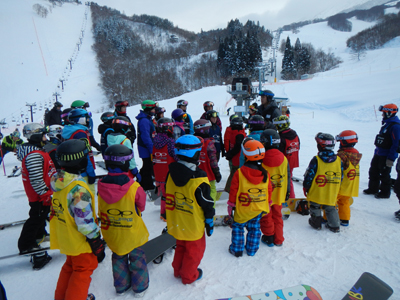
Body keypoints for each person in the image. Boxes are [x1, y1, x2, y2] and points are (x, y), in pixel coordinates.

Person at [50, 139, 105, 300]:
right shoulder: (78, 189)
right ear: (80, 160)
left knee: (70, 266)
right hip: (79, 240)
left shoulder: (59, 180)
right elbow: (85, 221)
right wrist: (95, 239)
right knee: (83, 270)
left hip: (65, 236)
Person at [98, 144, 149, 297]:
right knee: (137, 258)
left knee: (118, 256)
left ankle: (121, 286)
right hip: (131, 231)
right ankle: (139, 287)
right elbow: (141, 205)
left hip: (112, 230)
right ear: (126, 163)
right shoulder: (134, 187)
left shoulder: (101, 185)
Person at [165, 135, 215, 284]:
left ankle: (177, 270)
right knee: (194, 252)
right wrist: (209, 219)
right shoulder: (199, 179)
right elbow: (207, 203)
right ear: (196, 154)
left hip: (177, 222)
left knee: (181, 247)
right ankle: (188, 276)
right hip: (193, 225)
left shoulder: (170, 173)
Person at [17, 125, 55, 270]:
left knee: (41, 215)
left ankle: (39, 234)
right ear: (36, 137)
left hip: (42, 194)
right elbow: (36, 179)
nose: (46, 139)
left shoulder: (37, 152)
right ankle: (26, 244)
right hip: (40, 195)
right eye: (44, 136)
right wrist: (45, 194)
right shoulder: (34, 155)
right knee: (36, 217)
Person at [227, 138, 271, 257]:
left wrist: (231, 204)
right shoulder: (265, 173)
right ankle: (252, 249)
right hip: (258, 207)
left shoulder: (240, 173)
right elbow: (269, 190)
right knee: (254, 228)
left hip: (243, 208)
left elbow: (233, 190)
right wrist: (268, 202)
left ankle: (237, 249)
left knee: (238, 227)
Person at [303, 133, 343, 233]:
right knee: (330, 207)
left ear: (320, 146)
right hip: (331, 190)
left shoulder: (316, 160)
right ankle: (335, 225)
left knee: (315, 206)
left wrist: (306, 186)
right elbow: (341, 175)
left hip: (317, 190)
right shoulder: (338, 160)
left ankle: (316, 223)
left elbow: (310, 175)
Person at [260, 129, 290, 247]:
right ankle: (279, 239)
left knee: (266, 215)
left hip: (265, 194)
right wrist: (287, 192)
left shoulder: (261, 158)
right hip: (279, 193)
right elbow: (287, 176)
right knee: (277, 215)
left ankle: (269, 236)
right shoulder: (284, 158)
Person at [364, 104, 400, 199]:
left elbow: (396, 144)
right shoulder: (386, 123)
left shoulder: (395, 127)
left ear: (389, 113)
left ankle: (385, 192)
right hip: (378, 152)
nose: (382, 115)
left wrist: (391, 158)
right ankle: (373, 188)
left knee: (384, 174)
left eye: (383, 113)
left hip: (386, 155)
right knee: (373, 171)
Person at [62, 109, 96, 190]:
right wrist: (91, 173)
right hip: (82, 171)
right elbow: (84, 154)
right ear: (80, 119)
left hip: (71, 169)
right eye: (86, 118)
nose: (88, 120)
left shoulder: (68, 130)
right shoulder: (80, 133)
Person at [152, 118, 179, 221]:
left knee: (164, 194)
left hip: (159, 172)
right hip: (169, 172)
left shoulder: (155, 141)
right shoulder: (170, 142)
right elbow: (175, 156)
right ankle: (170, 212)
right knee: (171, 193)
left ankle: (163, 213)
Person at [335, 130, 362, 226]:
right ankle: (345, 220)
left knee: (332, 202)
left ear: (344, 142)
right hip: (350, 185)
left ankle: (329, 219)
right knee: (344, 201)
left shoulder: (341, 155)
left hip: (340, 185)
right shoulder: (355, 154)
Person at [194, 119, 222, 202]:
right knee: (211, 189)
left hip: (196, 173)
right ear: (204, 131)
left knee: (198, 189)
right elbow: (213, 160)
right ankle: (211, 208)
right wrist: (216, 172)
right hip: (208, 173)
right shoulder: (209, 143)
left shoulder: (192, 141)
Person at [273, 115, 300, 198]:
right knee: (289, 177)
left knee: (286, 179)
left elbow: (279, 151)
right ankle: (289, 195)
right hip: (293, 159)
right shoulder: (294, 134)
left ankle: (290, 197)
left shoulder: (282, 137)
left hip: (284, 161)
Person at [107, 116, 140, 181]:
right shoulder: (125, 140)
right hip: (124, 168)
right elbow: (130, 157)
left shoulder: (109, 138)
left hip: (112, 168)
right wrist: (134, 170)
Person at [136, 100, 156, 191]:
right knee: (148, 166)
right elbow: (145, 136)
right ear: (148, 109)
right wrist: (151, 149)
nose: (154, 111)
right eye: (153, 109)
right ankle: (147, 186)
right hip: (145, 148)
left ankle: (141, 183)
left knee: (147, 166)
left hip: (146, 147)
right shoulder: (144, 120)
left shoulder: (147, 119)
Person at [224, 116, 246, 193]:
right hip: (238, 159)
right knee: (235, 174)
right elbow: (237, 147)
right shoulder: (239, 134)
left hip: (236, 159)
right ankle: (231, 189)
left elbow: (235, 146)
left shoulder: (234, 133)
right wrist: (230, 154)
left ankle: (230, 189)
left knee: (234, 174)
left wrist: (229, 153)